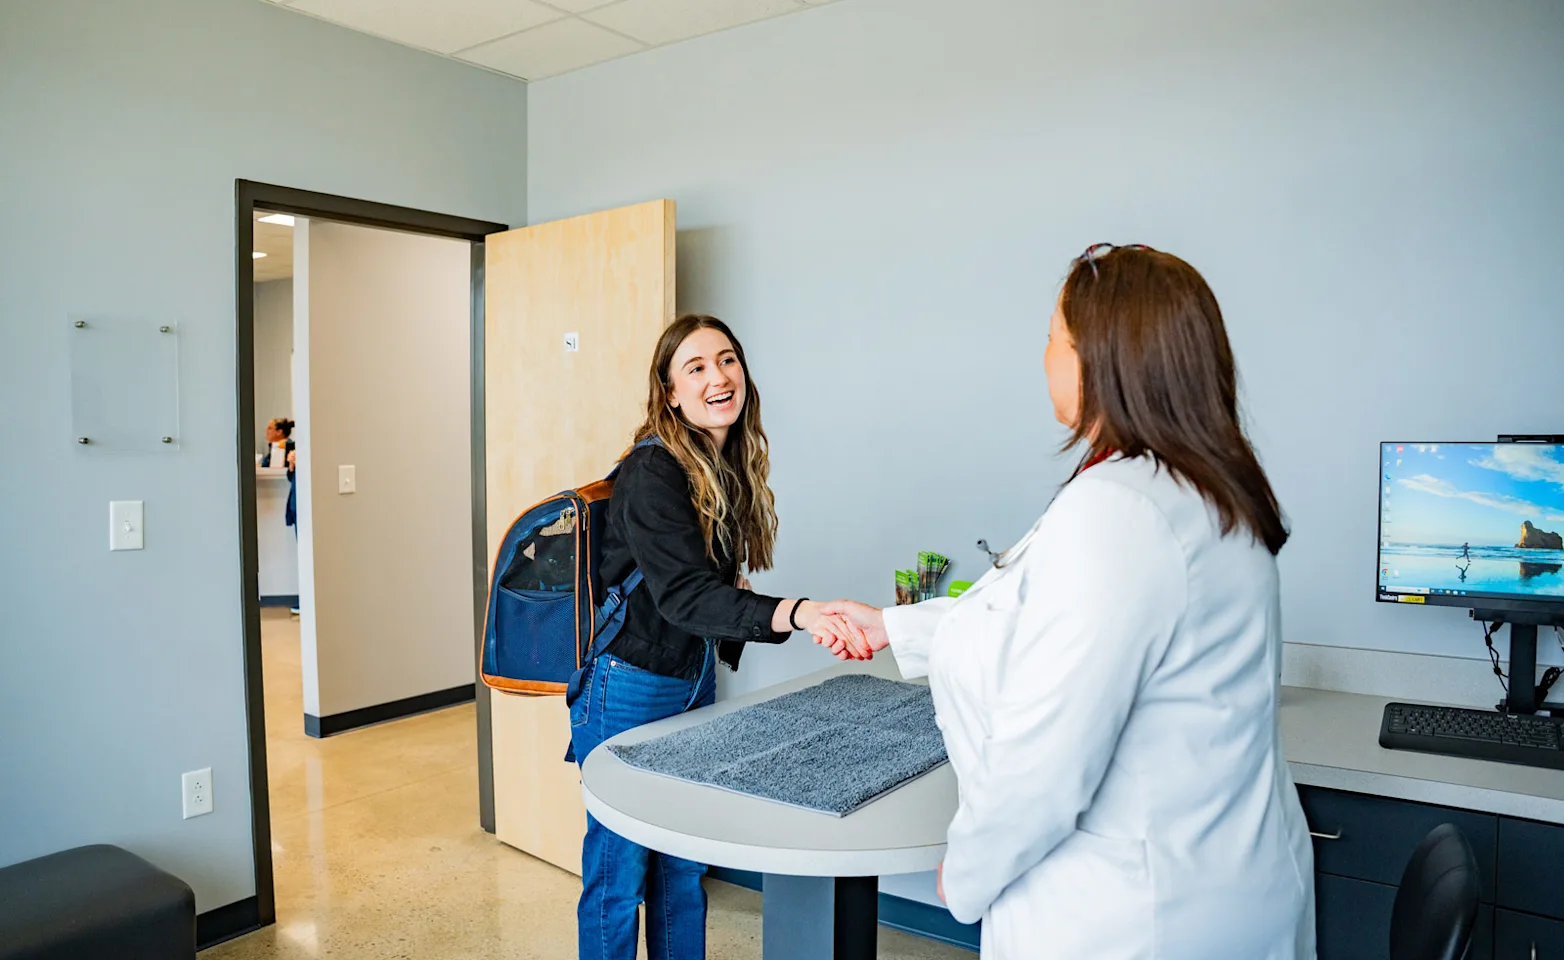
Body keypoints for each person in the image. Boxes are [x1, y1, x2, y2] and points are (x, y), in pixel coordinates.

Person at [814, 245, 1315, 959]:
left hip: (1133, 916)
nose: (1043, 355)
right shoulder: (1197, 490)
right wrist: (892, 625)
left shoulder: (1120, 514)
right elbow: (1024, 607)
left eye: (1054, 336)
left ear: (1102, 359)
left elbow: (1046, 758)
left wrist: (970, 867)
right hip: (1224, 882)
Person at [568, 314, 857, 960]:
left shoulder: (718, 463)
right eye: (695, 368)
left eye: (727, 360)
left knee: (680, 866)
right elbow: (685, 596)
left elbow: (707, 590)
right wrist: (799, 613)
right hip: (626, 686)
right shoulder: (653, 473)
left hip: (690, 675)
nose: (718, 376)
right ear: (669, 392)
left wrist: (777, 614)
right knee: (618, 877)